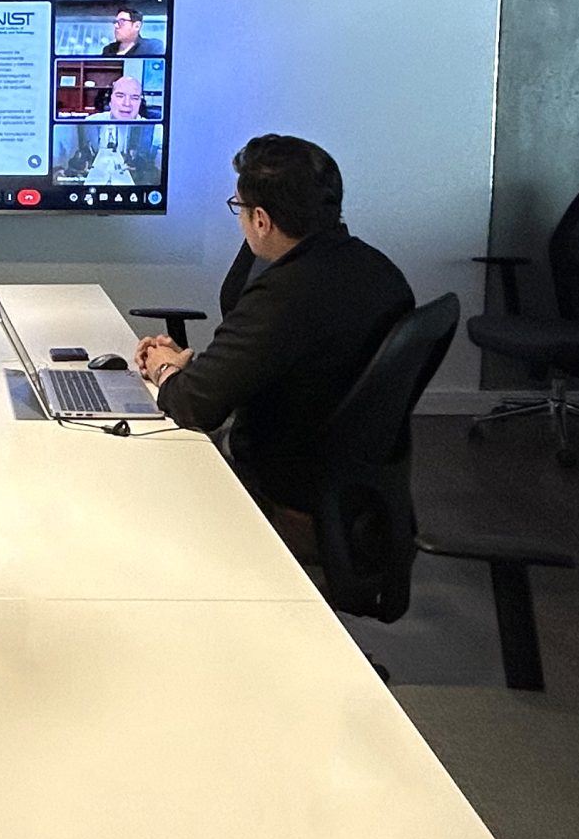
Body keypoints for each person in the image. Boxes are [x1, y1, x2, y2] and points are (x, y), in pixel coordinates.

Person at [134, 136, 412, 557]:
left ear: (261, 220)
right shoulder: (378, 270)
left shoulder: (285, 294)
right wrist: (198, 369)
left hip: (287, 500)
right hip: (355, 495)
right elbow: (288, 367)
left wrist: (163, 367)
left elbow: (195, 407)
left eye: (239, 208)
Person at [100, 5, 165, 57]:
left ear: (137, 26)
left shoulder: (151, 47)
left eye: (122, 22)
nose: (116, 26)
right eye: (115, 22)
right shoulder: (108, 50)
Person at [83, 73, 148, 122]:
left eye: (134, 98)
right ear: (110, 100)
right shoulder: (90, 123)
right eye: (120, 96)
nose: (127, 103)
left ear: (140, 103)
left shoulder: (152, 130)